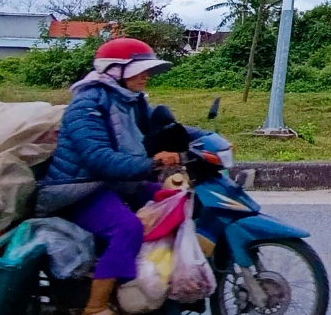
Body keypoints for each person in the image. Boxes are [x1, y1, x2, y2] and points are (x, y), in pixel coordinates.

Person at [37, 38, 207, 315]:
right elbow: (98, 159)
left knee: (175, 201)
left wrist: (210, 139)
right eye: (139, 70)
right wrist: (152, 163)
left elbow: (163, 129)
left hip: (116, 181)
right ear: (115, 71)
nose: (146, 76)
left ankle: (149, 279)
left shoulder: (131, 101)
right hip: (78, 189)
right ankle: (95, 306)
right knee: (127, 228)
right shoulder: (86, 105)